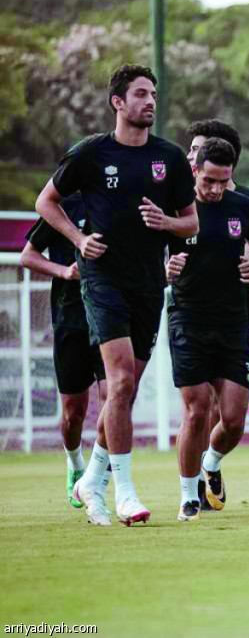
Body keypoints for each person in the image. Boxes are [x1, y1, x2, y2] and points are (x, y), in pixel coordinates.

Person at [34, 64, 198, 526]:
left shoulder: (169, 158)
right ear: (118, 102)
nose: (150, 102)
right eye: (141, 94)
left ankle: (91, 479)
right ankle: (123, 491)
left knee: (125, 391)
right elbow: (45, 201)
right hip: (102, 279)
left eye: (153, 95)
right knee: (120, 381)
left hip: (149, 283)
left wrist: (167, 223)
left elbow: (191, 222)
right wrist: (78, 238)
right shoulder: (91, 153)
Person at [165, 137, 249, 521]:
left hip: (232, 322)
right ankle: (188, 496)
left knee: (234, 420)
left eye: (223, 181)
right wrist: (166, 268)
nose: (214, 189)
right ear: (195, 170)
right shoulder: (175, 208)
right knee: (196, 410)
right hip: (188, 319)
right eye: (208, 180)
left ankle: (211, 461)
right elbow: (152, 251)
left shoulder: (244, 208)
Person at [19, 194, 109, 515]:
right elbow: (27, 256)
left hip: (110, 318)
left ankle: (97, 477)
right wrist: (64, 272)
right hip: (70, 320)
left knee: (115, 398)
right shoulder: (63, 208)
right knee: (74, 413)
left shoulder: (117, 200)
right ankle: (75, 463)